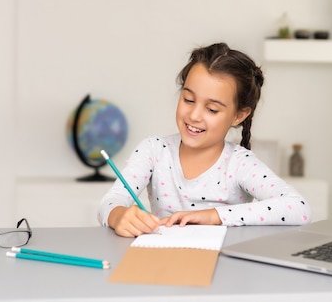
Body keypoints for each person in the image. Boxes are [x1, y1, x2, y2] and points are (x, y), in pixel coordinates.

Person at [98, 42, 311, 237]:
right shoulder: (154, 151)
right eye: (188, 99)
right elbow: (110, 202)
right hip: (164, 263)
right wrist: (118, 216)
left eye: (211, 109)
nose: (194, 116)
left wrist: (215, 216)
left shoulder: (239, 163)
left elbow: (298, 208)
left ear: (239, 115)